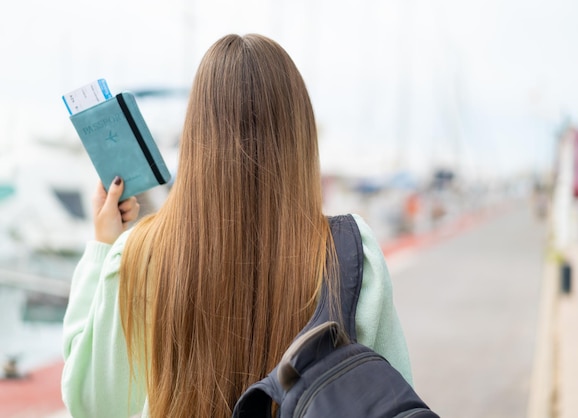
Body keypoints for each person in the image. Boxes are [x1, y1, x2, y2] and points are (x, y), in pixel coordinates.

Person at [62, 33, 413, 418]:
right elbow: (392, 395)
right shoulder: (350, 250)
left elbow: (91, 404)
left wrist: (103, 249)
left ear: (196, 133)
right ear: (300, 133)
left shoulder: (136, 256)